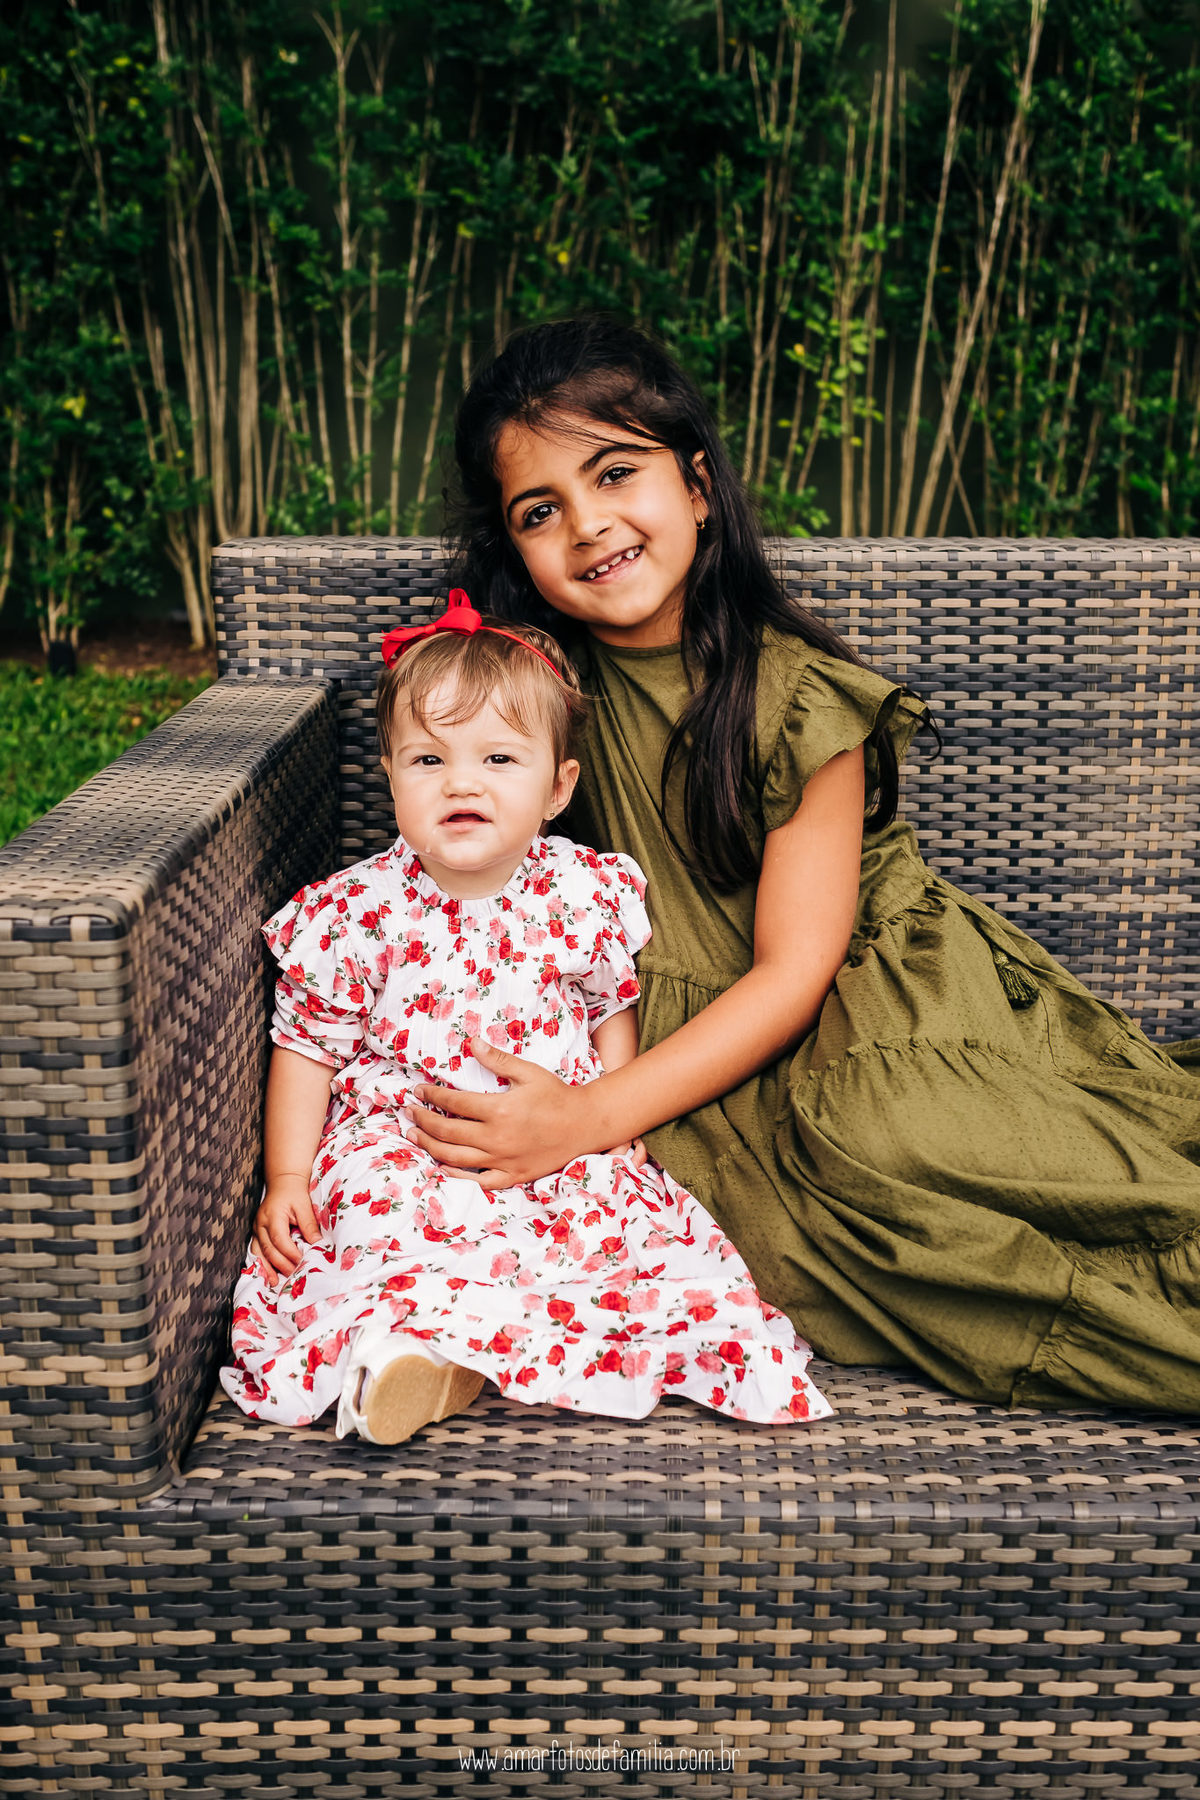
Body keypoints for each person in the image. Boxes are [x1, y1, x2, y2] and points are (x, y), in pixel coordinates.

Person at [401, 315, 1200, 1413]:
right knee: (737, 1209)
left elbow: (795, 969)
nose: (588, 525)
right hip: (673, 1041)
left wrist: (590, 1117)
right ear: (516, 549)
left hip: (861, 996)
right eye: (540, 511)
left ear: (696, 485)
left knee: (884, 1139)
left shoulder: (792, 693)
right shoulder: (534, 697)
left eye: (615, 473)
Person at [220, 592, 831, 1442]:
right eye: (428, 760)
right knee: (380, 1218)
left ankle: (488, 1346)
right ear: (390, 776)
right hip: (409, 1137)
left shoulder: (580, 893)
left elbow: (609, 1005)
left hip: (557, 1130)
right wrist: (288, 1176)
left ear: (557, 787)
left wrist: (613, 1112)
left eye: (500, 758)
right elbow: (307, 1049)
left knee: (611, 1230)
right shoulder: (358, 910)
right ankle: (405, 1352)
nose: (461, 782)